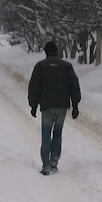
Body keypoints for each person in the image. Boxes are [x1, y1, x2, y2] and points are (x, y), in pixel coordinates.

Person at [28, 41, 81, 175]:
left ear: (46, 52)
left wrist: (33, 105)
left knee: (46, 134)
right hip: (62, 105)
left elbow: (34, 87)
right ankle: (54, 161)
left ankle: (46, 164)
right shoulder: (67, 66)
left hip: (46, 105)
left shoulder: (40, 66)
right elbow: (74, 86)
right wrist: (75, 105)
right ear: (57, 51)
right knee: (57, 133)